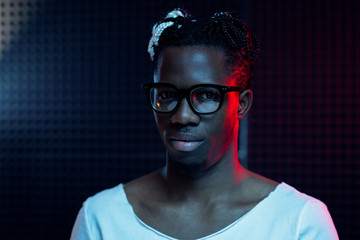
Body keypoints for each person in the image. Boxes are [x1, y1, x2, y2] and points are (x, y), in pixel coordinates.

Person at [70, 9, 339, 240]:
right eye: (167, 94)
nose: (182, 116)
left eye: (207, 95)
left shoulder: (298, 221)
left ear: (242, 104)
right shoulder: (101, 217)